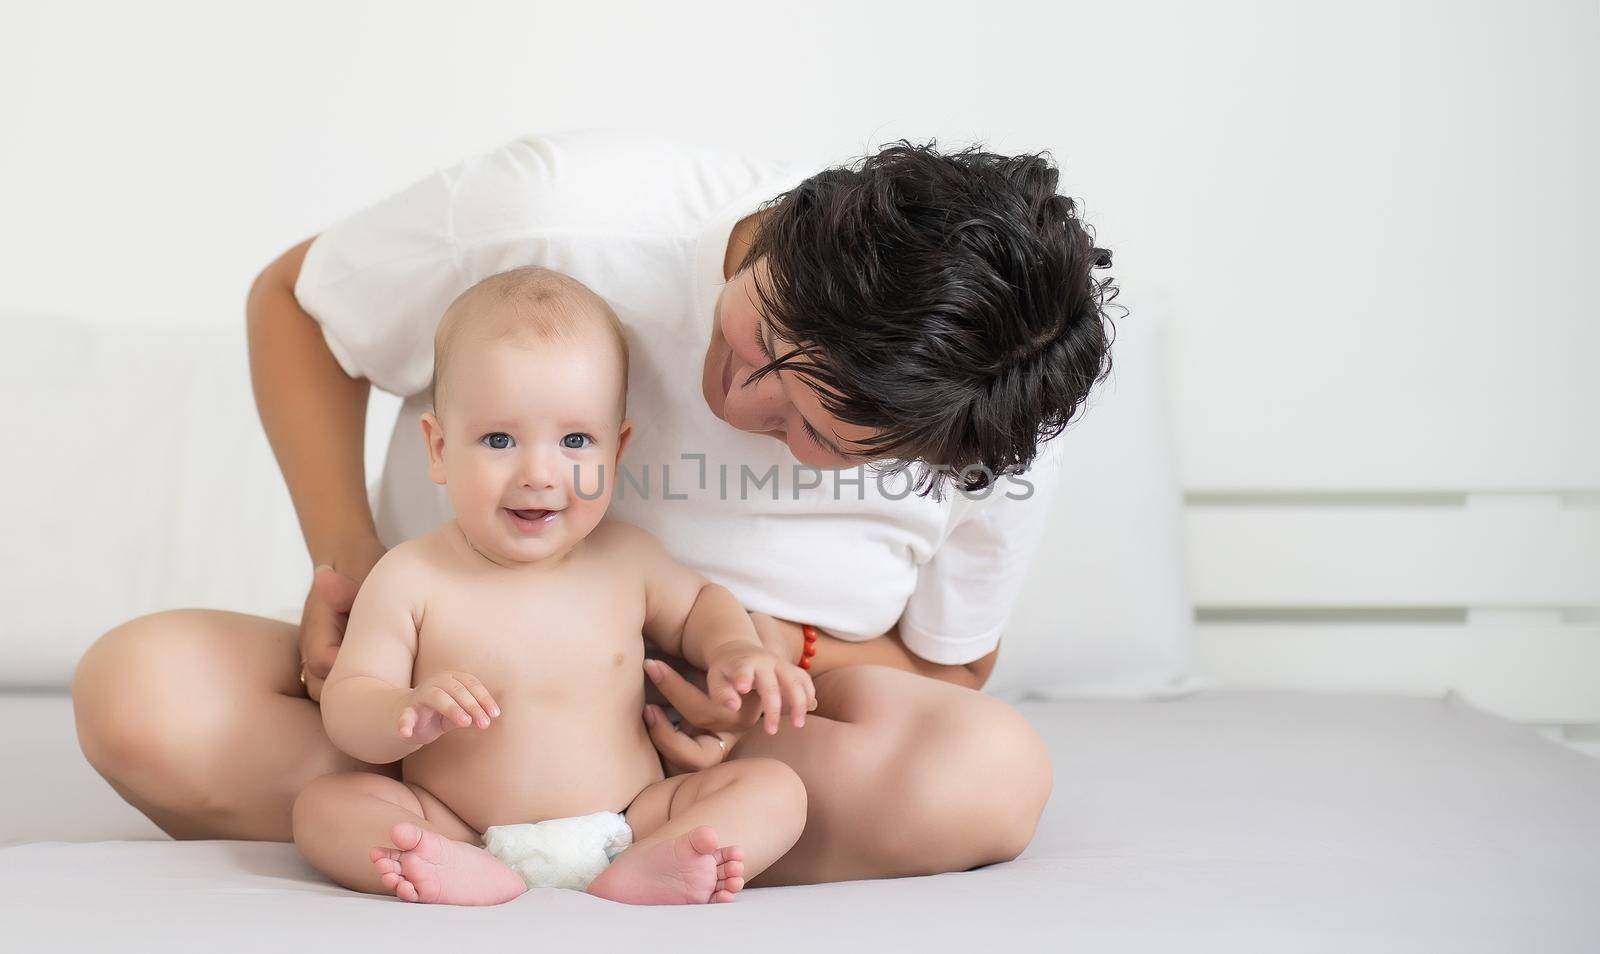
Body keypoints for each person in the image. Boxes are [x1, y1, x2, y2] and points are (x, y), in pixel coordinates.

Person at [73, 129, 1116, 887]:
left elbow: (950, 672)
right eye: (756, 338)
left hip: (733, 749)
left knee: (987, 773)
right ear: (795, 221)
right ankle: (427, 823)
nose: (735, 400)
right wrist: (349, 567)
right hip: (435, 721)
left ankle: (674, 840)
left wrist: (770, 663)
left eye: (813, 437)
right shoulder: (554, 218)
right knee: (141, 691)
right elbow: (297, 302)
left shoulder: (992, 411)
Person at [293, 266, 811, 905]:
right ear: (438, 447)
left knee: (777, 789)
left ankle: (661, 860)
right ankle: (446, 866)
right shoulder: (409, 577)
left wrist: (736, 650)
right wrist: (407, 712)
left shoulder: (627, 558)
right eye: (499, 439)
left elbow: (703, 605)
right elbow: (348, 702)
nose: (539, 473)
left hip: (631, 815)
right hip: (458, 822)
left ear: (616, 454)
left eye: (574, 440)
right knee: (325, 806)